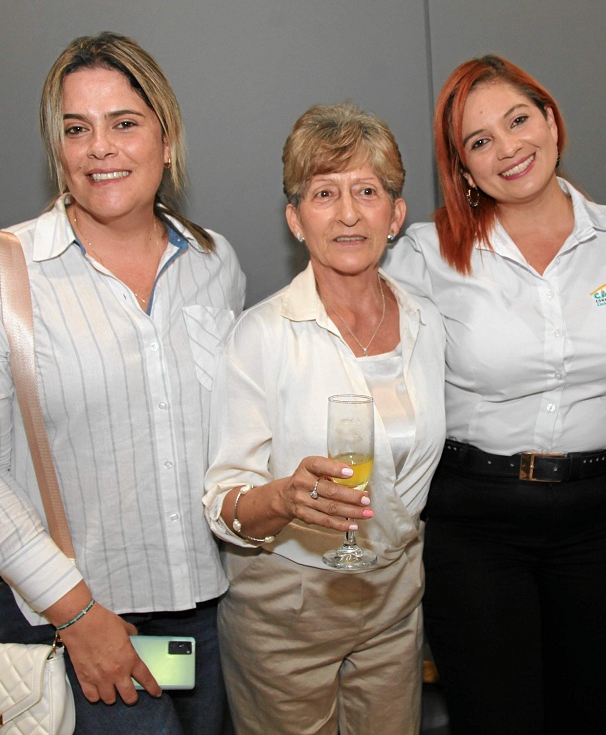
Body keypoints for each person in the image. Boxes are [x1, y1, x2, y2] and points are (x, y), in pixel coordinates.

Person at [0, 32, 244, 734]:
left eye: (124, 123)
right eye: (77, 128)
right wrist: (76, 613)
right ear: (58, 148)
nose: (100, 147)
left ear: (167, 139)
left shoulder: (215, 262)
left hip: (202, 610)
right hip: (68, 619)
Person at [382, 55, 606, 734]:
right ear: (463, 166)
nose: (508, 148)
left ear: (552, 121)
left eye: (518, 120)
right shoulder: (424, 254)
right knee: (493, 719)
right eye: (480, 141)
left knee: (590, 716)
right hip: (477, 522)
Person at [202, 102, 445, 735]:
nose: (346, 213)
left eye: (367, 191)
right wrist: (283, 497)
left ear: (395, 215)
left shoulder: (426, 322)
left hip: (395, 598)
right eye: (323, 193)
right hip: (287, 606)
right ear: (295, 218)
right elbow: (221, 500)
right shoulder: (260, 335)